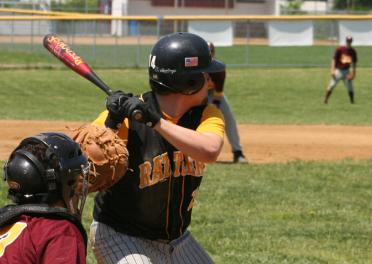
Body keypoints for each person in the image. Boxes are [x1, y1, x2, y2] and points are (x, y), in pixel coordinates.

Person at [89, 32, 226, 263]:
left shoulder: (206, 115)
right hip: (120, 235)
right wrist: (110, 124)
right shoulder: (127, 120)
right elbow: (87, 169)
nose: (211, 81)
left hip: (177, 240)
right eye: (205, 75)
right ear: (189, 84)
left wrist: (155, 122)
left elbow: (209, 150)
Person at [0, 132, 89, 264]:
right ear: (59, 186)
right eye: (74, 181)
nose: (78, 189)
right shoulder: (60, 231)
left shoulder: (7, 221)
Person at [207, 42, 248, 164]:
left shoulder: (218, 68)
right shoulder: (193, 68)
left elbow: (218, 92)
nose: (209, 56)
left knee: (229, 118)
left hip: (213, 93)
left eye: (210, 53)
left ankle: (238, 152)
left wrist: (215, 104)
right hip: (194, 94)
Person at [324, 35, 358, 104]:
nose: (349, 42)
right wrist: (332, 70)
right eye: (348, 41)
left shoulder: (353, 51)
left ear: (351, 42)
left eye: (350, 41)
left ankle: (352, 102)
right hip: (338, 71)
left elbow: (354, 63)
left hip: (347, 72)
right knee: (331, 85)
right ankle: (326, 100)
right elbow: (334, 59)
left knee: (350, 87)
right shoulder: (340, 49)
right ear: (346, 41)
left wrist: (354, 74)